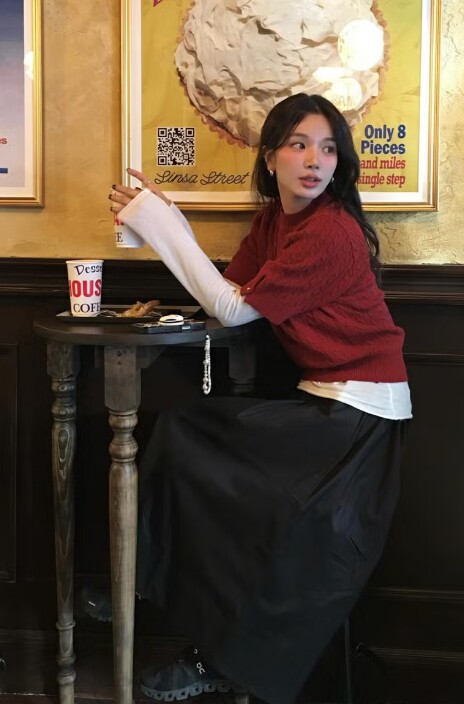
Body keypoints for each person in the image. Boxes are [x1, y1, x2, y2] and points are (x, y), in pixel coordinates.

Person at [109, 93, 412, 704]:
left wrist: (160, 225)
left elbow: (231, 309)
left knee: (192, 440)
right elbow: (231, 293)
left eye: (328, 148)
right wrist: (169, 218)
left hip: (361, 414)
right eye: (299, 145)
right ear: (270, 157)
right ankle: (138, 584)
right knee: (187, 435)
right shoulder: (273, 223)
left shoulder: (331, 232)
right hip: (325, 402)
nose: (315, 161)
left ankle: (147, 593)